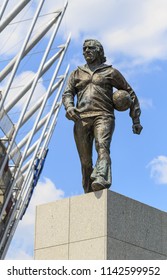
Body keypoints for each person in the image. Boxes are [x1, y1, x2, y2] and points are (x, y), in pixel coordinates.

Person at [62, 39, 143, 193]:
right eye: (84, 48)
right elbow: (67, 93)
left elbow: (130, 93)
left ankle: (101, 178)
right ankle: (88, 191)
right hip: (81, 118)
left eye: (90, 48)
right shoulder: (76, 73)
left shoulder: (111, 72)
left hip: (104, 115)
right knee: (85, 161)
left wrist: (135, 119)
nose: (86, 51)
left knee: (102, 146)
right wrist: (69, 106)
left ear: (99, 51)